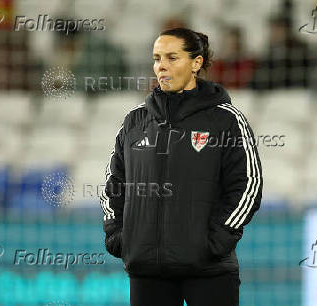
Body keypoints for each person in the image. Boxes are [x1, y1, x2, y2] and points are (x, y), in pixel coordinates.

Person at [100, 27, 263, 306]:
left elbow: (248, 184)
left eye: (172, 57)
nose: (161, 65)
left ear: (196, 63)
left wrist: (214, 242)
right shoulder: (135, 121)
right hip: (148, 272)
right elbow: (113, 185)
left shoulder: (226, 120)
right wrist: (120, 235)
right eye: (157, 58)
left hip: (209, 270)